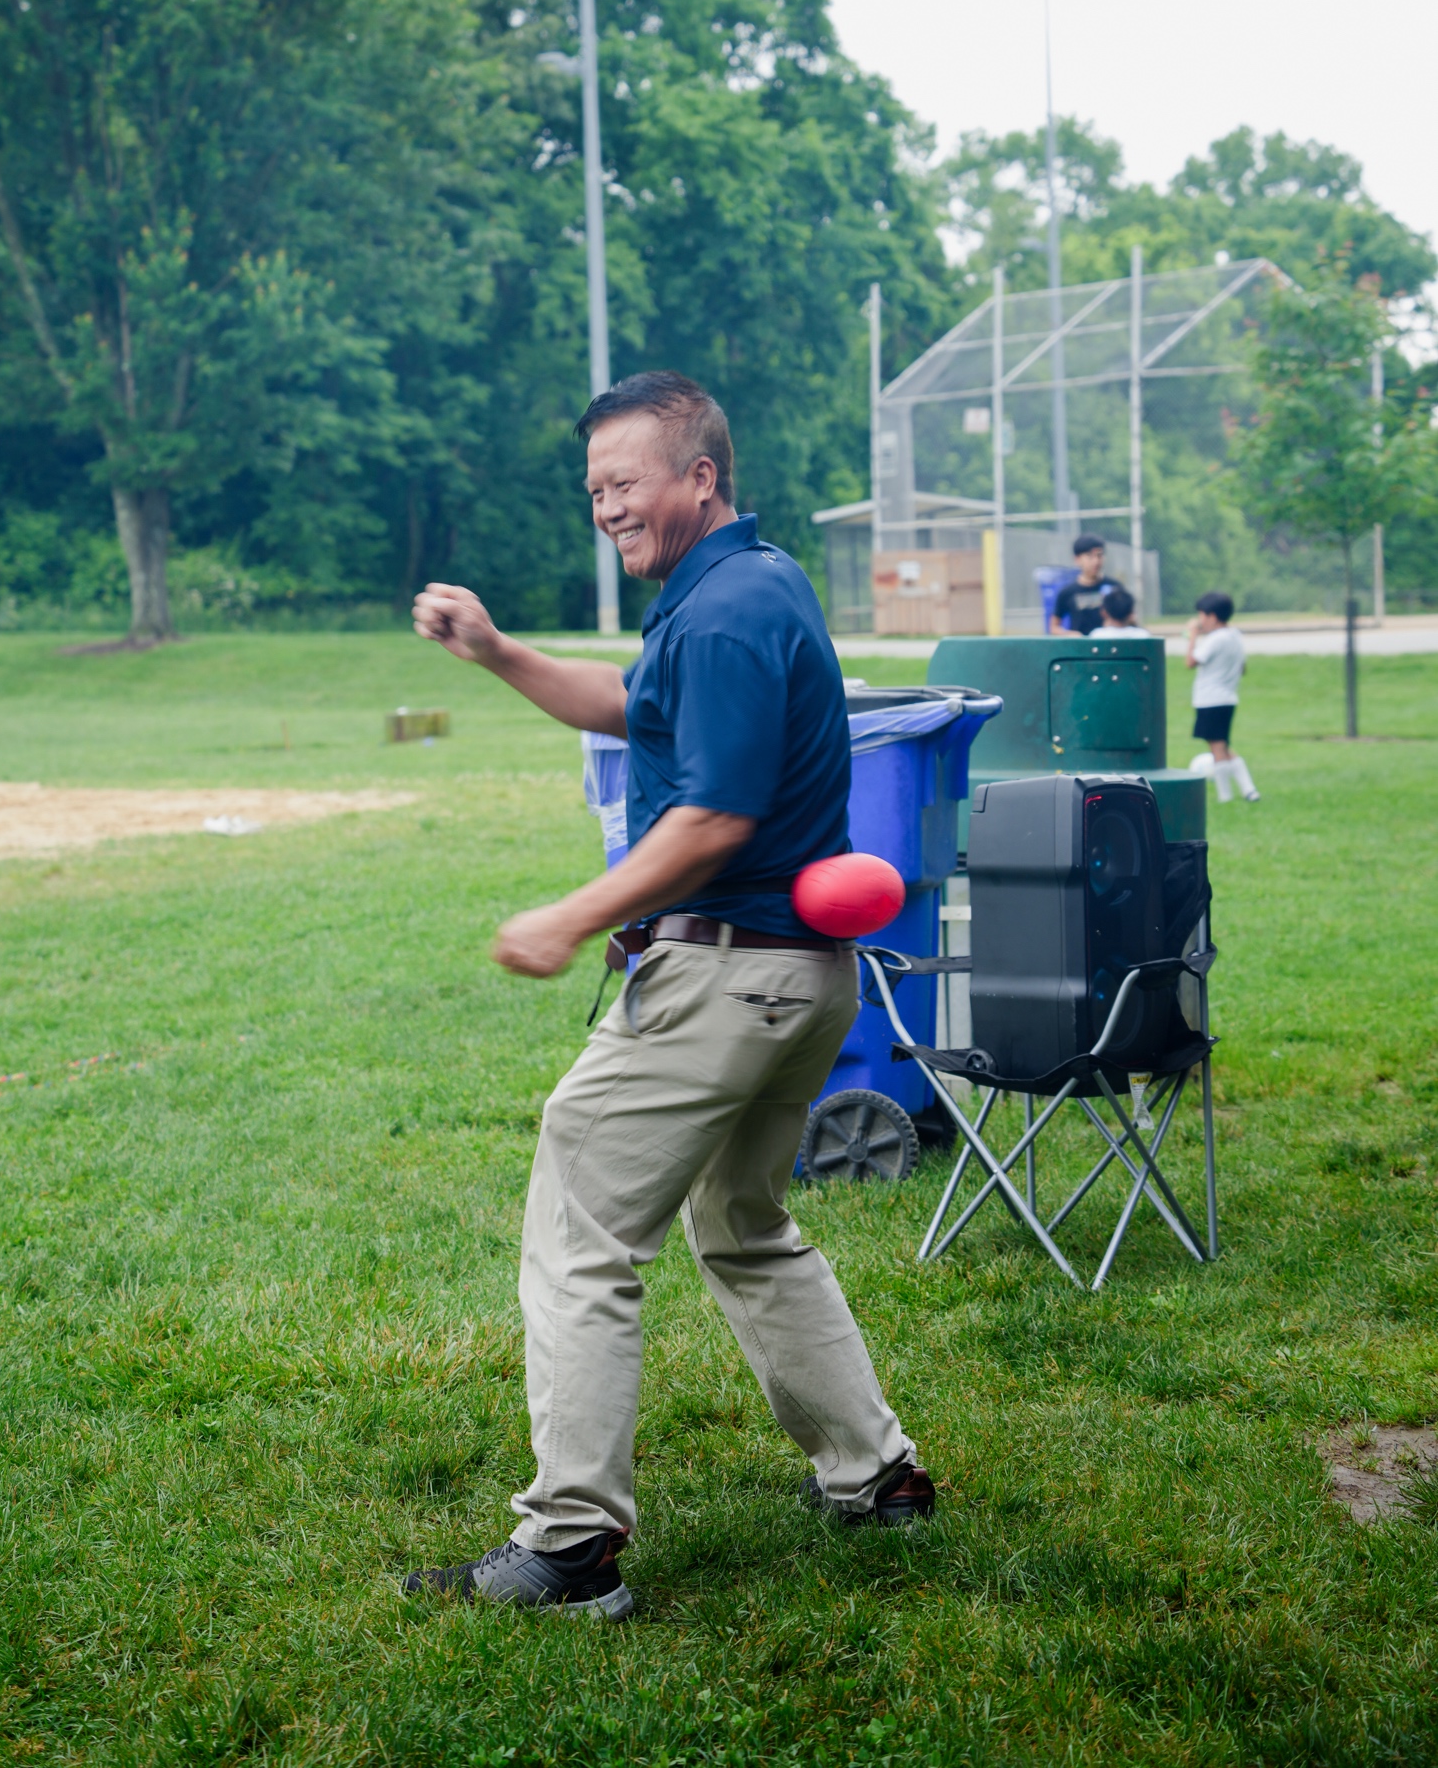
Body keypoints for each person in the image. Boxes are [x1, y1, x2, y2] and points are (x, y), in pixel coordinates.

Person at [404, 370, 932, 1621]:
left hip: (722, 975)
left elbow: (713, 817)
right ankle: (876, 1474)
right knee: (744, 1224)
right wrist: (498, 652)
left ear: (700, 474)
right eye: (594, 489)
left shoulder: (727, 612)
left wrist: (571, 915)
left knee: (582, 1228)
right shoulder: (741, 587)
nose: (606, 507)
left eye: (625, 482)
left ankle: (570, 1545)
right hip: (797, 979)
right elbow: (632, 707)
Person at [1186, 591, 1259, 803]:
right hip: (1228, 698)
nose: (1200, 621)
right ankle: (1249, 790)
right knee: (1223, 746)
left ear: (1212, 617)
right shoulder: (1235, 635)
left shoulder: (1215, 639)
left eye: (1201, 616)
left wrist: (1192, 635)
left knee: (1217, 748)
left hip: (1210, 699)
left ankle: (1225, 795)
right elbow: (1242, 668)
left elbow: (1190, 662)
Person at [1050, 534, 1124, 636]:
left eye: (1099, 555)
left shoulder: (1115, 588)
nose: (1096, 561)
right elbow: (1054, 627)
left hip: (1109, 644)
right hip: (1080, 645)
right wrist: (1069, 634)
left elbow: (1130, 618)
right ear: (1077, 559)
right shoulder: (1067, 592)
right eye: (1090, 556)